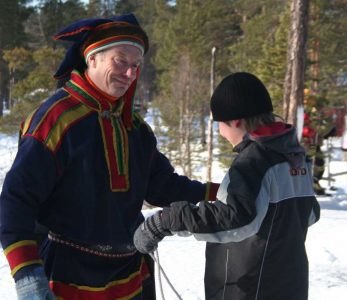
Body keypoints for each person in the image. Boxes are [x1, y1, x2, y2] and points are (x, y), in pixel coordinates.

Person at [0, 14, 219, 300]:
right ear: (92, 58)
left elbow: (164, 186)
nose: (130, 73)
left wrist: (222, 192)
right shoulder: (55, 120)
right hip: (70, 279)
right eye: (121, 61)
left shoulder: (134, 127)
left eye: (136, 66)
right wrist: (27, 275)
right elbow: (16, 200)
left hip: (130, 276)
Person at [134, 72, 321, 300]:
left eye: (219, 124)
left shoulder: (254, 162)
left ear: (236, 121)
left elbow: (236, 218)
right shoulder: (294, 156)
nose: (220, 132)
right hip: (288, 286)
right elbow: (310, 213)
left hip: (251, 289)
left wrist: (166, 221)